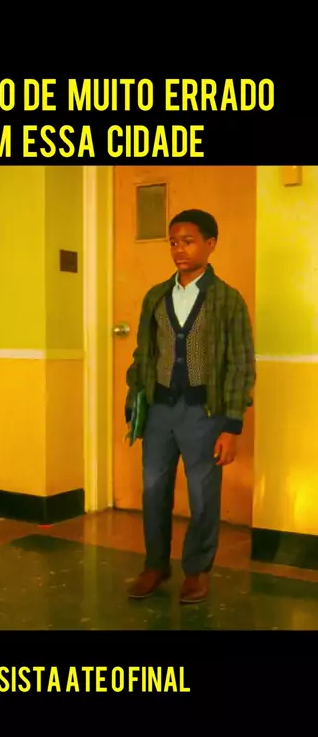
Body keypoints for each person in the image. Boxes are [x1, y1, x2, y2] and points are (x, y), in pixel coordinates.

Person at [125, 208, 255, 604]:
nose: (179, 249)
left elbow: (241, 364)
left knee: (202, 494)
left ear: (210, 244)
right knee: (153, 488)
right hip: (160, 410)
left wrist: (231, 425)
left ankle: (197, 570)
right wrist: (136, 402)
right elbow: (144, 353)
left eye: (188, 241)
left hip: (205, 413)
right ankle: (155, 564)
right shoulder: (156, 296)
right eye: (173, 242)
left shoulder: (227, 300)